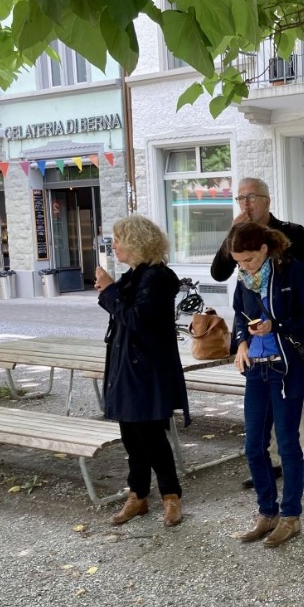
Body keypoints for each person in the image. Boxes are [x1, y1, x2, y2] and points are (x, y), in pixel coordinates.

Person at [211, 177, 304, 490]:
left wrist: (278, 265)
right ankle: (274, 461)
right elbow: (219, 273)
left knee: (297, 402)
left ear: (266, 200)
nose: (246, 204)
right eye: (240, 199)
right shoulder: (238, 236)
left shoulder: (292, 231)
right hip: (259, 341)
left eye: (251, 197)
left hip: (290, 335)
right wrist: (231, 235)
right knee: (266, 405)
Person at [229, 222, 304, 548]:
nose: (244, 267)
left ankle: (290, 517)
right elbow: (240, 317)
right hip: (256, 371)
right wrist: (241, 342)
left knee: (287, 446)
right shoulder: (243, 279)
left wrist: (277, 326)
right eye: (239, 262)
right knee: (253, 446)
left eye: (250, 260)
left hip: (287, 370)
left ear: (265, 250)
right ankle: (266, 513)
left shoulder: (293, 272)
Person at [94, 215, 190, 528]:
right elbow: (122, 311)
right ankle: (137, 495)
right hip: (127, 368)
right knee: (131, 436)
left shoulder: (157, 278)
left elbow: (135, 318)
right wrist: (110, 289)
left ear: (136, 242)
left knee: (150, 435)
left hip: (146, 370)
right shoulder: (136, 274)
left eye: (119, 239)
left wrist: (108, 291)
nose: (115, 246)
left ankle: (170, 495)